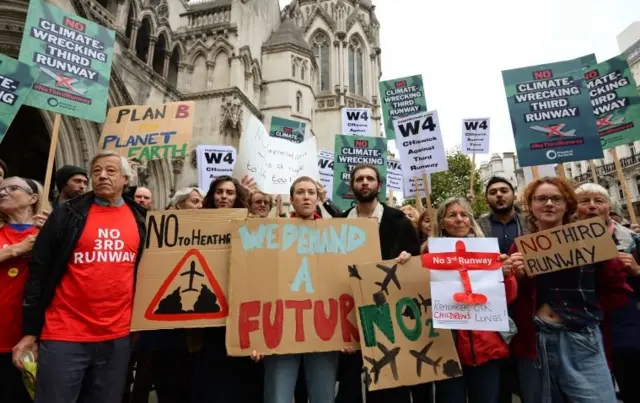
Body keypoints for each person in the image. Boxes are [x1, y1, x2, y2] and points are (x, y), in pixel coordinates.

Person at [13, 151, 147, 403]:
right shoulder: (68, 214)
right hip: (64, 334)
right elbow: (39, 271)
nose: (102, 176)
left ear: (125, 179)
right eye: (96, 171)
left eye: (110, 170)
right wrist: (31, 331)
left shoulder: (141, 218)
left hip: (116, 338)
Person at [507, 177, 629, 403]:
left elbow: (613, 286)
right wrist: (514, 276)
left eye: (556, 198)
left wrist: (615, 258)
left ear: (567, 205)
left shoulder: (590, 238)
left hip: (581, 335)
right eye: (541, 198)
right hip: (536, 341)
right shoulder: (520, 246)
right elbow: (511, 297)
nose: (549, 204)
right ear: (531, 206)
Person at [335, 164, 421, 403]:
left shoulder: (399, 221)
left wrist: (408, 260)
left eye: (370, 178)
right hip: (349, 310)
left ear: (378, 185)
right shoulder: (338, 222)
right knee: (350, 382)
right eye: (359, 178)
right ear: (352, 185)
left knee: (390, 382)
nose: (364, 182)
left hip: (388, 312)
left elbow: (415, 263)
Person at [251, 176, 339, 403]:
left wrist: (346, 332)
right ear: (291, 199)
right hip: (281, 329)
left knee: (323, 397)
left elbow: (342, 280)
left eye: (311, 192)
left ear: (318, 198)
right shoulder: (272, 232)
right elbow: (257, 282)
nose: (306, 197)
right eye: (300, 192)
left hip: (324, 330)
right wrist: (256, 335)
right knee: (278, 396)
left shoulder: (336, 233)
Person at [427, 197, 516, 403]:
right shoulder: (428, 255)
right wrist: (405, 263)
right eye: (452, 215)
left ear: (470, 220)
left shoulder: (489, 252)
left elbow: (508, 298)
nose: (459, 219)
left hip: (486, 349)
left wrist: (506, 275)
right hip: (447, 351)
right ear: (441, 223)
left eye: (464, 215)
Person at [193, 175, 262, 403]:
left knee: (241, 379)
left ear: (237, 197)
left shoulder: (251, 225)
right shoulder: (196, 224)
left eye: (230, 192)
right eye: (219, 192)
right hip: (208, 312)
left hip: (241, 310)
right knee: (212, 378)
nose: (224, 196)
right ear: (212, 195)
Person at [575, 183, 640, 403]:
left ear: (607, 207)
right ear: (575, 208)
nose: (592, 206)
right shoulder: (561, 240)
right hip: (583, 325)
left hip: (624, 324)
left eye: (599, 201)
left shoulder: (631, 239)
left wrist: (637, 270)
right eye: (585, 201)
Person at [477, 176, 526, 402]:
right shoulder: (478, 226)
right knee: (500, 366)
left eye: (504, 190)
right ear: (486, 198)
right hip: (492, 304)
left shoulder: (530, 223)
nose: (499, 195)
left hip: (527, 301)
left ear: (513, 194)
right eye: (493, 191)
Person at [0, 177, 44, 403]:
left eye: (12, 188)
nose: (3, 192)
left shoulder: (46, 232)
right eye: (1, 189)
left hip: (31, 338)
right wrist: (17, 249)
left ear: (33, 198)